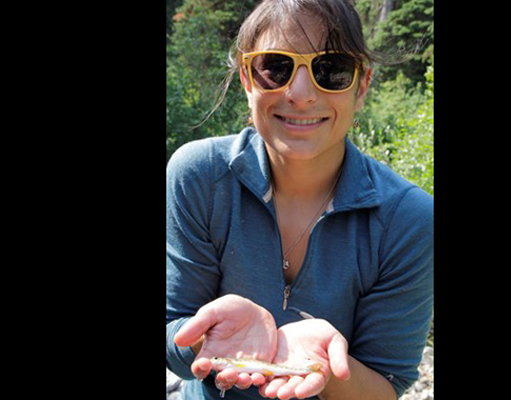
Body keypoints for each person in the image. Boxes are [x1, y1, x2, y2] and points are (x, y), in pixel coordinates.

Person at [166, 1, 433, 399]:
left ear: (362, 86)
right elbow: (173, 330)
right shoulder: (200, 175)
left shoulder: (409, 219)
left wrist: (323, 368)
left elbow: (386, 386)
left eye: (332, 70)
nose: (301, 93)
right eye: (275, 67)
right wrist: (212, 340)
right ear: (246, 79)